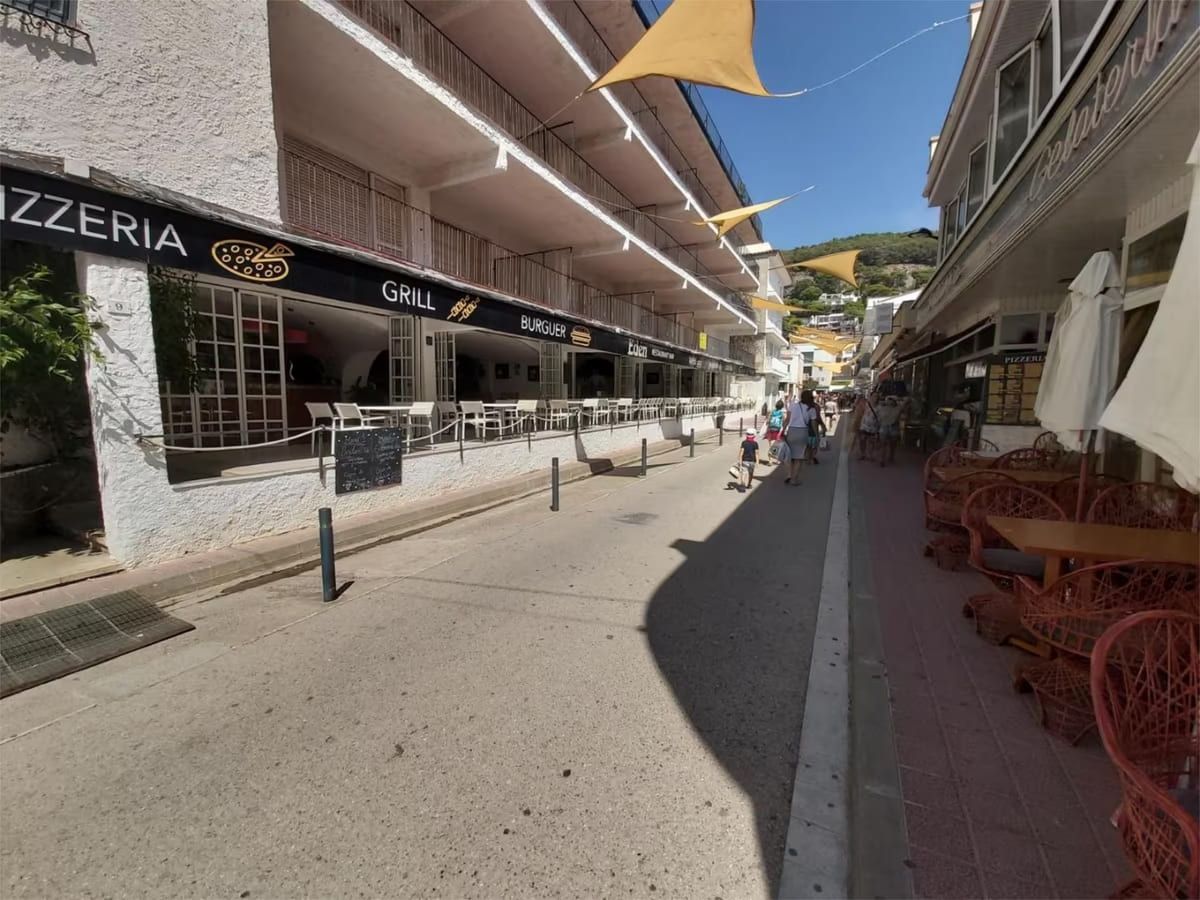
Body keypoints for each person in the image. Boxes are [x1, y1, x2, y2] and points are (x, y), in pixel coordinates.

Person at [781, 389, 824, 485]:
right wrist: (817, 435)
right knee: (799, 458)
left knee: (789, 455)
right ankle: (794, 479)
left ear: (801, 397)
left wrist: (782, 431)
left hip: (791, 431)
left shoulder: (793, 405)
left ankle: (789, 475)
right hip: (803, 432)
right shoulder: (811, 409)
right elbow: (813, 424)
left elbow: (787, 420)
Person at [875, 395, 903, 467]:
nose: (890, 401)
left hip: (894, 427)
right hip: (884, 426)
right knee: (883, 444)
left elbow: (906, 402)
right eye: (889, 400)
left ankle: (891, 456)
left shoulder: (898, 408)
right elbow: (878, 416)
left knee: (892, 444)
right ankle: (882, 459)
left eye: (892, 400)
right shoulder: (882, 407)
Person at [856, 393, 880, 462]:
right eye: (873, 397)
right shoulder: (866, 404)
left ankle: (870, 454)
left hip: (873, 427)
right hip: (864, 426)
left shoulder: (879, 407)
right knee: (862, 440)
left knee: (871, 441)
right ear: (871, 397)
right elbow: (858, 407)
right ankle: (862, 454)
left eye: (876, 397)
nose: (874, 398)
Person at [735, 427, 758, 492]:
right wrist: (758, 462)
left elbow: (741, 452)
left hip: (744, 461)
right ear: (754, 435)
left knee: (744, 473)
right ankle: (749, 484)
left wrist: (739, 460)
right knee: (751, 473)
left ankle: (742, 485)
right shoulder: (755, 443)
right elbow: (756, 453)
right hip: (752, 461)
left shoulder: (744, 443)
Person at [764, 400, 785, 464]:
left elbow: (767, 421)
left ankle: (770, 460)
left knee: (770, 445)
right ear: (782, 406)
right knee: (777, 446)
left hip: (770, 429)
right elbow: (784, 422)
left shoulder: (772, 412)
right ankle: (777, 460)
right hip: (777, 430)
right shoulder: (782, 413)